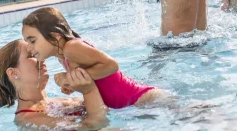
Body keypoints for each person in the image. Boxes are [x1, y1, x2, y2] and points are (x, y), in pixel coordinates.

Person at [22, 7, 162, 109]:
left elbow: (112, 66)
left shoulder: (72, 48)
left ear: (55, 36)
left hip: (145, 99)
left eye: (32, 41)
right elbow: (96, 80)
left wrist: (67, 78)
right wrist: (73, 84)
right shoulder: (63, 57)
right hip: (133, 105)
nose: (28, 47)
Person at [0, 39, 108, 130]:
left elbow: (105, 107)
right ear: (13, 73)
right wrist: (88, 90)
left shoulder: (57, 101)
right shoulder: (29, 119)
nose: (41, 58)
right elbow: (96, 125)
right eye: (32, 55)